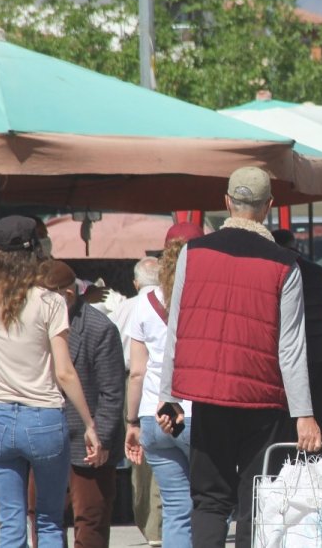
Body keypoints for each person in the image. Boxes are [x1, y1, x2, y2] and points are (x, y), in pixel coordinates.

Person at [158, 166, 320, 547]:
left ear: (227, 202)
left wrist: (169, 395)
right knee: (257, 498)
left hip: (208, 396)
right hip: (262, 400)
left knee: (210, 500)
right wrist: (304, 415)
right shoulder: (285, 264)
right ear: (268, 207)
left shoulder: (192, 253)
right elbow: (291, 346)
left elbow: (176, 326)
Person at [0, 216, 101, 547]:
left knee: (11, 523)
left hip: (0, 417)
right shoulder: (50, 301)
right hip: (45, 419)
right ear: (35, 252)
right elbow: (64, 371)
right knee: (50, 521)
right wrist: (89, 423)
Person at [125, 223, 203, 548]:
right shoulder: (203, 300)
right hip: (194, 413)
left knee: (175, 509)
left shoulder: (144, 303)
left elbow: (137, 372)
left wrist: (131, 422)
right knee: (210, 504)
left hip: (152, 417)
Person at [37, 260, 125, 548]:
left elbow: (112, 393)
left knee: (90, 522)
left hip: (88, 446)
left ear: (68, 296)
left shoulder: (99, 329)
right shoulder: (34, 325)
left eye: (42, 297)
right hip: (43, 437)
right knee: (42, 519)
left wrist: (103, 439)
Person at [109, 256, 164, 547]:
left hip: (131, 381)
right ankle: (162, 523)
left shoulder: (126, 307)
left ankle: (150, 525)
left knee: (139, 458)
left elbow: (113, 349)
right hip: (167, 386)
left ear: (135, 283)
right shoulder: (173, 302)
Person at [273, 229, 322, 418]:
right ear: (294, 244)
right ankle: (313, 448)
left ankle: (287, 448)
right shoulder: (319, 273)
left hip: (285, 354)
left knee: (284, 417)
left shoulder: (276, 270)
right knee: (316, 414)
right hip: (318, 351)